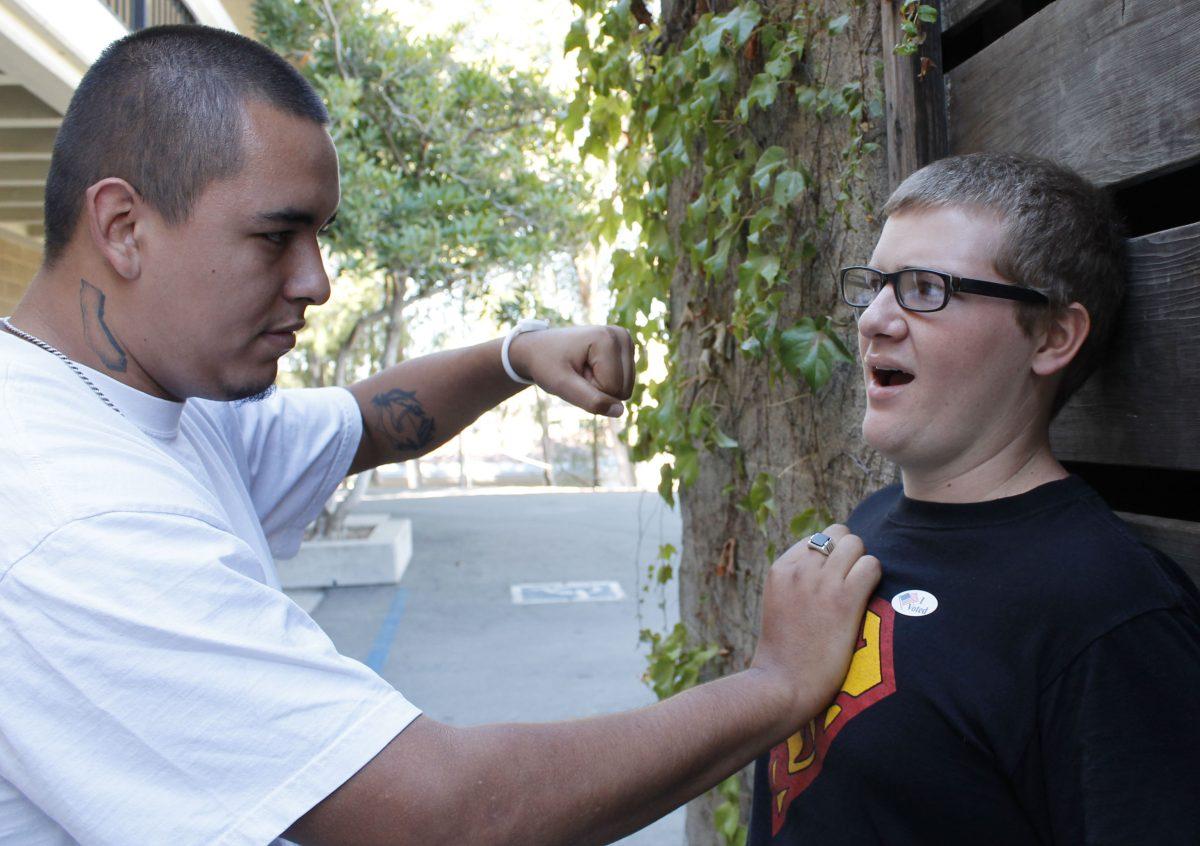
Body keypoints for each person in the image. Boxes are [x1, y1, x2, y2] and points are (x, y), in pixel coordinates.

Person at [0, 24, 881, 846]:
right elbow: (448, 814)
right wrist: (776, 686)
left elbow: (362, 425)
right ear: (122, 228)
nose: (317, 281)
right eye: (276, 237)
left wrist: (515, 355)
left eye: (319, 235)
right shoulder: (71, 513)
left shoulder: (146, 409)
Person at [748, 153, 1200, 844]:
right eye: (875, 285)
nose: (873, 319)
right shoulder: (869, 524)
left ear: (1052, 336)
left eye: (924, 288)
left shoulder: (1111, 619)